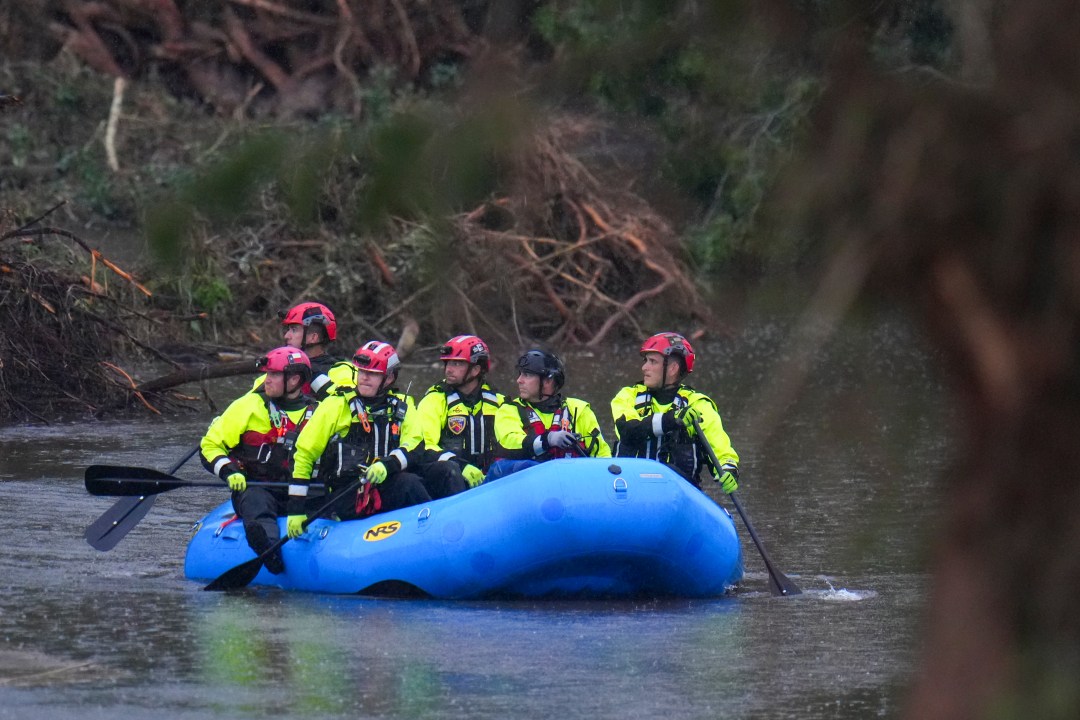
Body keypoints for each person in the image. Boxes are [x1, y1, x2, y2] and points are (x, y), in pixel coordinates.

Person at [286, 340, 430, 537]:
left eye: (372, 374)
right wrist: (295, 510)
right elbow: (304, 454)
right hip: (345, 494)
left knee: (422, 478)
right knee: (408, 484)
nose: (364, 378)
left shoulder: (403, 406)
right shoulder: (336, 405)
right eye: (361, 372)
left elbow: (415, 444)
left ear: (388, 379)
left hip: (385, 485)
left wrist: (388, 464)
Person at [199, 346, 317, 574]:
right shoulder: (248, 406)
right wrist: (229, 471)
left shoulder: (319, 412)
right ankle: (269, 551)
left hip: (302, 490)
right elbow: (210, 446)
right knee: (256, 501)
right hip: (258, 487)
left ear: (294, 379)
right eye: (267, 374)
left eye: (274, 375)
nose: (266, 380)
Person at [610, 332, 740, 492]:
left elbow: (721, 450)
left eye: (652, 362)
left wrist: (728, 471)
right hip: (629, 490)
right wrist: (672, 420)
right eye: (645, 361)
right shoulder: (628, 396)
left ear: (672, 369)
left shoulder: (698, 405)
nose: (644, 367)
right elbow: (628, 430)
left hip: (677, 494)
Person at [488, 349, 611, 480]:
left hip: (570, 484)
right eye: (520, 374)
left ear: (547, 381)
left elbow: (602, 454)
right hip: (525, 485)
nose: (519, 380)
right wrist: (548, 439)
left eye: (527, 375)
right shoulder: (509, 410)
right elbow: (510, 443)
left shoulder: (578, 410)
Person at [409, 334, 505, 492]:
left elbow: (513, 440)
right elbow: (424, 446)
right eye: (447, 363)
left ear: (476, 369)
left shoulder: (499, 402)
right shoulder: (434, 401)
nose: (448, 369)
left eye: (457, 364)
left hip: (487, 475)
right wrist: (461, 466)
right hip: (449, 477)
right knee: (450, 470)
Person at [275, 301, 355, 399]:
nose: (286, 336)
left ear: (313, 338)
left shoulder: (340, 371)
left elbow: (347, 404)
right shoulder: (279, 367)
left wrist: (315, 378)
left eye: (294, 330)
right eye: (288, 330)